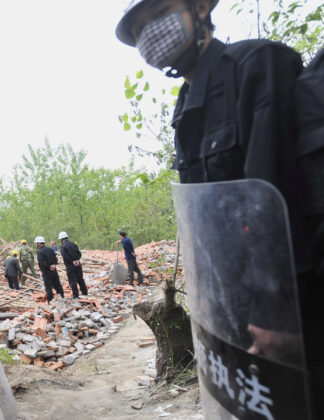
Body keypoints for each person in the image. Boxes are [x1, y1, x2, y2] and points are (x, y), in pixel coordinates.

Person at [117, 0, 321, 414]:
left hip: (288, 315)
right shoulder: (185, 106)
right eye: (140, 30)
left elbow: (272, 204)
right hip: (232, 315)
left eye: (159, 14)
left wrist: (273, 316)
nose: (151, 34)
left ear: (200, 7)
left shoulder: (256, 65)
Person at [35, 236, 64, 303]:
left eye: (36, 243)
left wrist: (48, 267)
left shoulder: (40, 252)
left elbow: (42, 263)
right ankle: (62, 298)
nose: (36, 245)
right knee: (57, 285)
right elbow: (55, 259)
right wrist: (53, 265)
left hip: (46, 272)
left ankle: (50, 302)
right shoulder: (50, 249)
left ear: (39, 243)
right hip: (54, 271)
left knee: (48, 287)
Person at [59, 231, 88, 298]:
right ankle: (85, 292)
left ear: (61, 239)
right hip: (78, 264)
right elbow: (79, 253)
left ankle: (75, 295)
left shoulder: (63, 246)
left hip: (70, 266)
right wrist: (77, 260)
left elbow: (65, 256)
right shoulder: (74, 244)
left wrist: (72, 261)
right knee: (80, 279)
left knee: (72, 280)